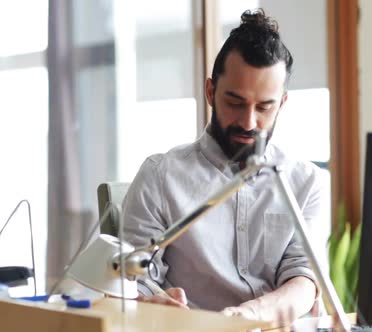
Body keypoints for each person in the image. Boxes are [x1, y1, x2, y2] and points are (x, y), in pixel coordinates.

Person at [122, 9, 328, 322]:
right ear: (210, 92)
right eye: (235, 102)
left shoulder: (306, 182)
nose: (248, 121)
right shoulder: (160, 177)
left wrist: (247, 315)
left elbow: (304, 281)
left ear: (282, 104)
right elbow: (132, 280)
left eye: (263, 107)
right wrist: (153, 302)